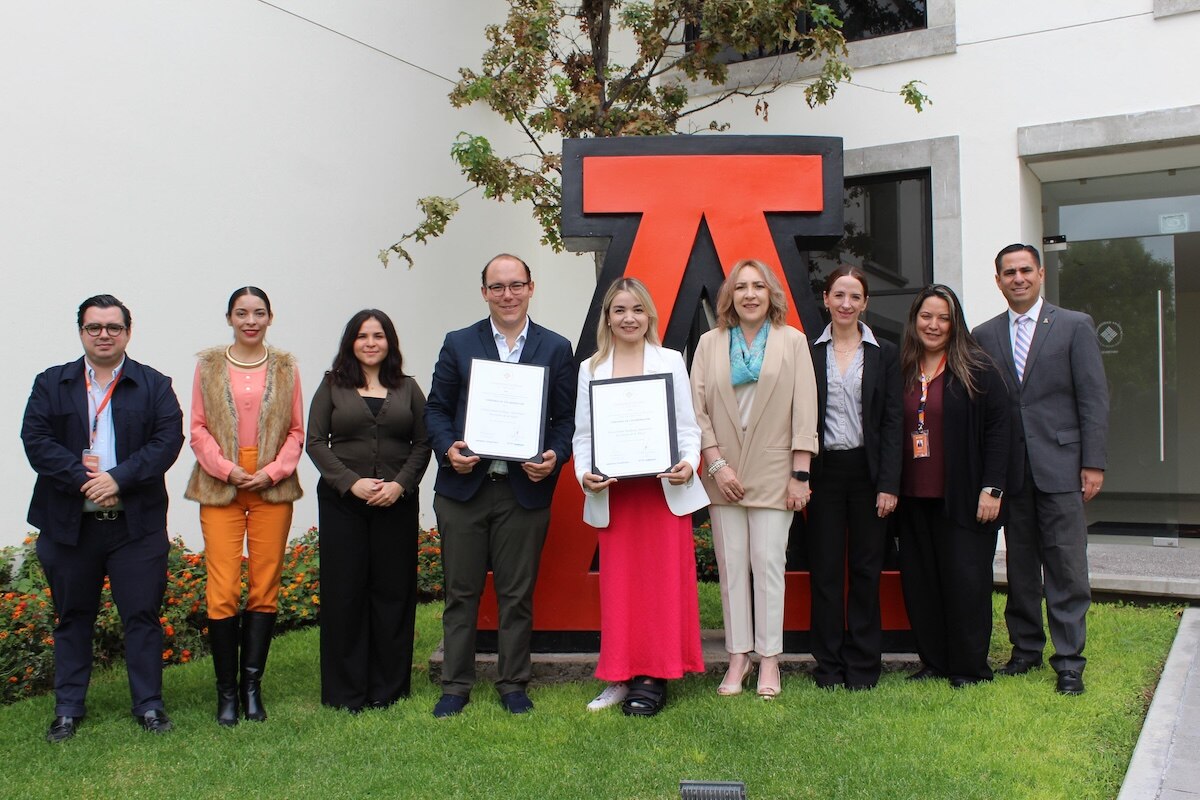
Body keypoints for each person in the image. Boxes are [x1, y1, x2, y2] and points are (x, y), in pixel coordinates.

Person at [21, 294, 184, 742]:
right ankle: (68, 708)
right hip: (69, 524)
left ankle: (149, 705)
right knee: (73, 616)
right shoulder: (51, 383)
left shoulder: (153, 384)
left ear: (128, 333)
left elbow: (167, 441)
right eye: (94, 327)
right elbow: (35, 440)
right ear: (81, 332)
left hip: (136, 525)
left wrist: (117, 479)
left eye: (113, 327)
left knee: (142, 616)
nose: (104, 335)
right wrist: (81, 479)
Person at [424, 253, 576, 718]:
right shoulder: (458, 343)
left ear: (531, 288)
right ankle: (455, 684)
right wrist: (449, 448)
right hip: (464, 489)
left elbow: (566, 419)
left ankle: (513, 682)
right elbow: (436, 410)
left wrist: (554, 457)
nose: (507, 295)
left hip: (522, 491)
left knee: (516, 592)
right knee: (461, 592)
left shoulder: (555, 348)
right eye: (497, 287)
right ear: (484, 292)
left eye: (515, 285)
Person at [974, 244, 1108, 696]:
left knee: (1067, 567)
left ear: (1041, 273)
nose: (1018, 278)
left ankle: (1069, 661)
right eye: (1008, 272)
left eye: (1025, 270)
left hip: (1063, 467)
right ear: (997, 280)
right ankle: (1026, 650)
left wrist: (1093, 463)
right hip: (1012, 474)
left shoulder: (1074, 326)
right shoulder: (984, 334)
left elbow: (1093, 399)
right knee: (1021, 568)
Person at [572, 278, 709, 716]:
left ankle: (653, 677)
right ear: (607, 318)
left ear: (649, 316)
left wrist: (688, 462)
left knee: (660, 586)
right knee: (621, 588)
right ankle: (619, 675)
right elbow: (584, 436)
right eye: (619, 310)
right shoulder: (590, 368)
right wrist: (584, 473)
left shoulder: (669, 361)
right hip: (617, 497)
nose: (628, 318)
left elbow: (687, 427)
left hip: (660, 493)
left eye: (637, 310)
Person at [691, 258, 819, 700]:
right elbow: (697, 413)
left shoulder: (793, 342)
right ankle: (738, 656)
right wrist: (715, 465)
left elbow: (805, 412)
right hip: (721, 472)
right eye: (741, 287)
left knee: (767, 567)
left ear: (771, 294)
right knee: (731, 571)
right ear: (729, 296)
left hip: (774, 471)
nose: (749, 294)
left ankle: (769, 660)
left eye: (758, 286)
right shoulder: (710, 343)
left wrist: (800, 475)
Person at [184, 287, 303, 725]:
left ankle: (252, 687)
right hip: (222, 485)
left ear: (270, 317)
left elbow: (296, 431)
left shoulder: (287, 366)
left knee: (264, 583)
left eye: (258, 313)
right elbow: (196, 428)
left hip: (271, 484)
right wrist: (226, 469)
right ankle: (226, 693)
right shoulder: (209, 365)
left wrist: (271, 471)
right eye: (241, 313)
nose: (250, 320)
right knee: (222, 585)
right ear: (229, 318)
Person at [306, 310, 431, 711]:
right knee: (346, 593)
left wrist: (399, 485)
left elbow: (423, 443)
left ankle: (388, 688)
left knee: (393, 593)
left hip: (396, 503)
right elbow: (315, 441)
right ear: (351, 342)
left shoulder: (409, 388)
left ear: (390, 342)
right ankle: (346, 691)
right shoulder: (331, 386)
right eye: (363, 336)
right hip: (344, 505)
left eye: (379, 335)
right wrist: (350, 482)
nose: (371, 343)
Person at [897, 285, 1009, 688]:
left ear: (954, 323)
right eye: (927, 316)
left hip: (964, 498)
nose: (934, 325)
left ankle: (968, 668)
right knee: (922, 583)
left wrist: (992, 488)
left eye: (943, 317)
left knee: (966, 584)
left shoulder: (977, 368)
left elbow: (1001, 430)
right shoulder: (903, 369)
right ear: (915, 320)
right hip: (912, 499)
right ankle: (934, 662)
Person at [807, 266, 902, 691]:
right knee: (825, 573)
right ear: (825, 298)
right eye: (838, 295)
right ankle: (828, 665)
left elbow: (894, 423)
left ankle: (864, 665)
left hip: (868, 474)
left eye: (855, 297)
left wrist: (889, 483)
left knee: (866, 571)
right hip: (824, 474)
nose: (846, 304)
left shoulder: (886, 353)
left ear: (865, 304)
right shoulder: (809, 353)